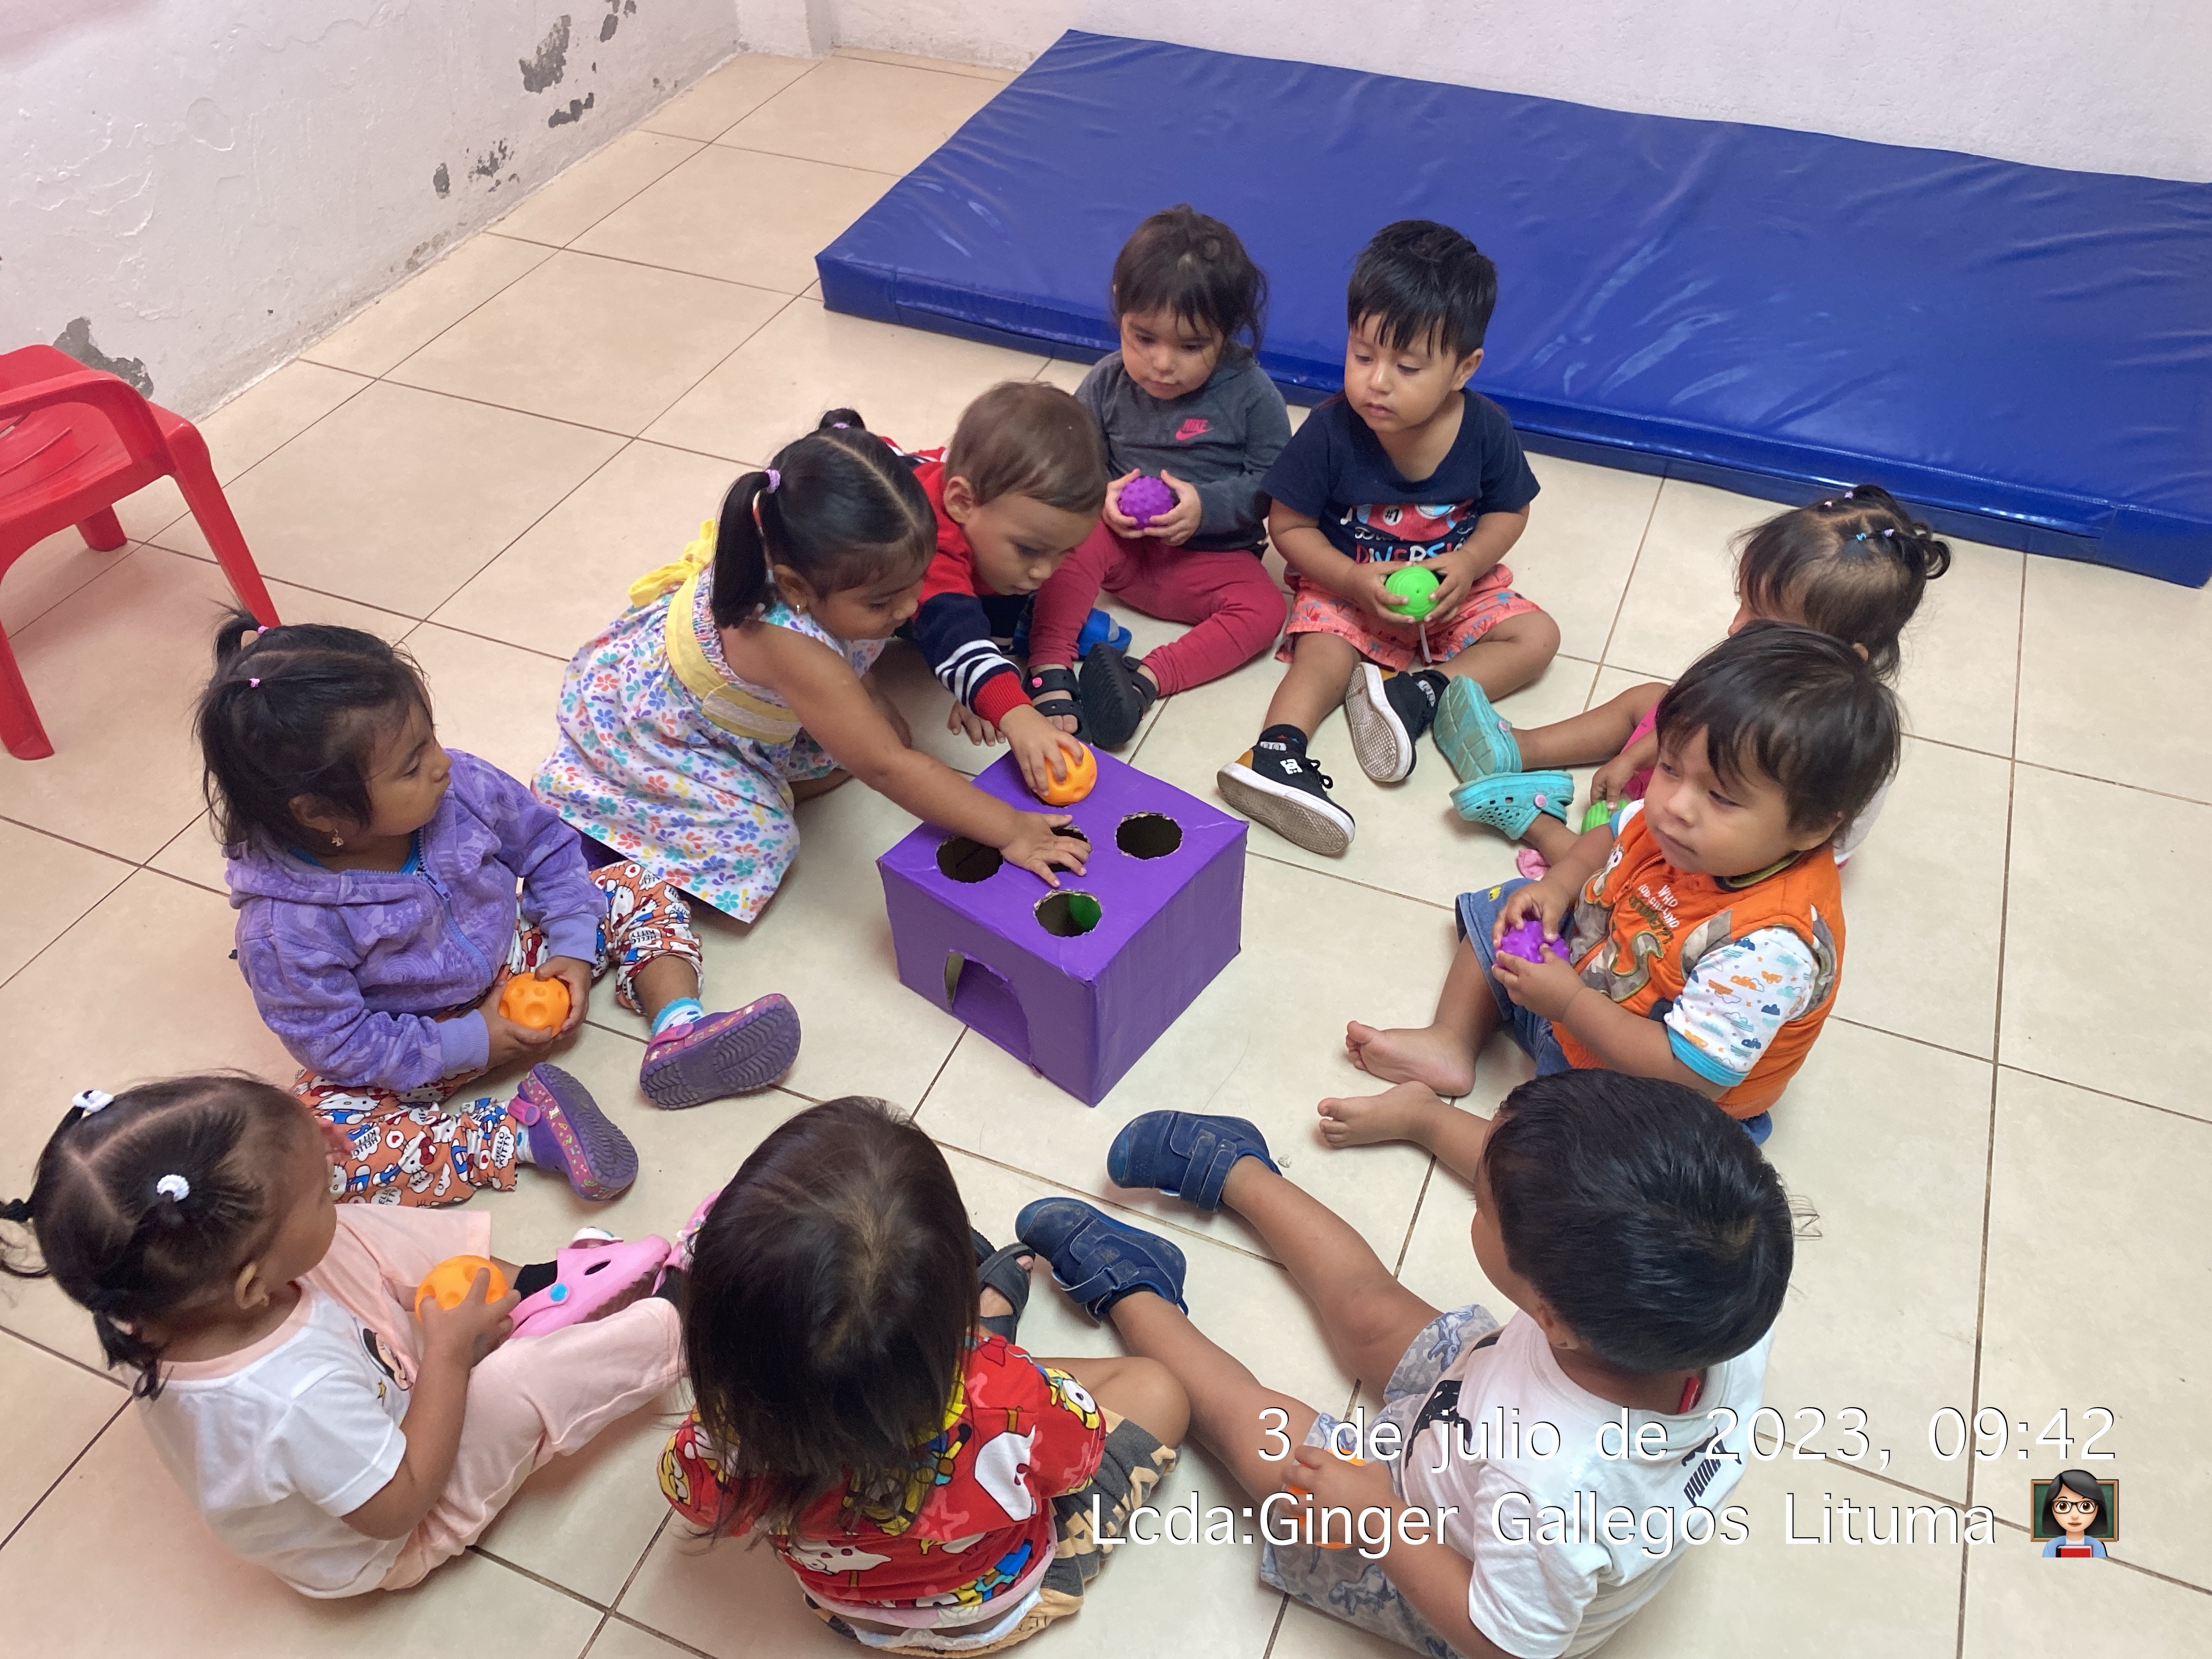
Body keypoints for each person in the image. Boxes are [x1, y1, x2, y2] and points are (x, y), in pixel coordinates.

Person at [1018, 1077, 1791, 1658]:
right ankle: (1236, 1167)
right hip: (1481, 1401)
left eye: (1483, 1205)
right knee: (1370, 1310)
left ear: (1550, 1315)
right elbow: (1537, 1173)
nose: (1478, 1190)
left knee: (1259, 1438)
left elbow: (1505, 1642)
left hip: (1436, 1547)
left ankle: (1134, 1291)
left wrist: (1377, 1518)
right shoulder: (1718, 1292)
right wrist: (1424, 1118)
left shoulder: (1553, 1493)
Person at [0, 1075, 682, 1596]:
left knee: (342, 1235)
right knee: (517, 1382)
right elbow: (400, 1504)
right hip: (398, 1528)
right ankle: (682, 1317)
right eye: (323, 1190)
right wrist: (447, 1357)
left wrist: (297, 1148)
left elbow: (270, 1223)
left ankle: (531, 1286)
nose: (336, 1184)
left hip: (364, 1396)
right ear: (251, 1288)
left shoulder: (158, 1296)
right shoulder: (291, 1400)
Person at [200, 616, 797, 1209]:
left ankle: (680, 1025)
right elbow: (339, 1043)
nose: (441, 763)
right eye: (411, 765)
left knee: (633, 883)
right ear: (320, 813)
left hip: (517, 953)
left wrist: (571, 945)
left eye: (430, 739)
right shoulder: (285, 929)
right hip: (412, 1040)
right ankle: (525, 1133)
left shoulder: (460, 786)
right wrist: (469, 1040)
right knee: (320, 1153)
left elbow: (548, 848)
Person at [659, 1097, 1190, 1654]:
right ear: (951, 1301)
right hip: (1004, 1606)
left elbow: (691, 1496)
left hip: (850, 1614)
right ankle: (986, 1332)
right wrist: (999, 1370)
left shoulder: (725, 1431)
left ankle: (965, 1342)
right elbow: (1077, 1461)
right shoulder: (1006, 1401)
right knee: (1159, 1391)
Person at [1333, 623, 1899, 1145]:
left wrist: (1570, 1002)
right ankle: (1452, 1040)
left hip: (1646, 1096)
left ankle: (1427, 1121)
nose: (1674, 805)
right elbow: (1610, 837)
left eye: (1722, 797)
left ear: (1811, 826)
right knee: (1512, 908)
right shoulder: (1683, 828)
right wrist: (1558, 888)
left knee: (1559, 1179)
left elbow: (1690, 1075)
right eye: (1670, 768)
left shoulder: (1771, 946)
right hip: (1585, 991)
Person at [535, 409, 1090, 922]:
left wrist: (874, 701)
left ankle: (750, 778)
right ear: (797, 589)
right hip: (657, 737)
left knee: (848, 748)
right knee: (764, 840)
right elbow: (888, 769)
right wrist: (1011, 830)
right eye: (883, 601)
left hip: (732, 702)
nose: (907, 609)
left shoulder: (819, 562)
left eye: (917, 582)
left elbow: (855, 663)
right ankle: (608, 830)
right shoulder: (792, 644)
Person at [1217, 219, 1556, 856]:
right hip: (1348, 590)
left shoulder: (1486, 430)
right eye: (1363, 355)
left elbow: (1510, 512)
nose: (1377, 381)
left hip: (1453, 590)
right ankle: (1275, 753)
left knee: (1538, 636)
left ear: (1463, 369)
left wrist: (1470, 561)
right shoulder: (1329, 432)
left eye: (1407, 366)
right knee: (1324, 655)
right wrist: (1349, 579)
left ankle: (1417, 693)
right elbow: (1286, 525)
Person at [1438, 483, 1950, 872]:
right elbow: (1694, 722)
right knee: (1651, 698)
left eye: (1763, 621)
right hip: (1706, 774)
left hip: (1731, 848)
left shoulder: (1829, 744)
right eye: (1744, 603)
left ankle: (1537, 823)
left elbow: (1781, 844)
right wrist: (1635, 758)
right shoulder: (1772, 671)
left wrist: (1667, 803)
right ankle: (1522, 749)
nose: (1735, 627)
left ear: (1842, 656)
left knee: (1626, 857)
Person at [1023, 205, 1292, 748]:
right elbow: (1073, 463)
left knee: (1267, 612)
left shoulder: (1253, 394)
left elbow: (1273, 485)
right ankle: (1048, 662)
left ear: (1226, 332)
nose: (1162, 363)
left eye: (1190, 346)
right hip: (1119, 551)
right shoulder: (1106, 383)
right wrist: (1100, 496)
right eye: (1143, 338)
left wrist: (1206, 507)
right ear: (1120, 305)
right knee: (1065, 543)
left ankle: (1144, 679)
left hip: (1210, 561)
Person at [901, 381, 1108, 793]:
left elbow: (994, 608)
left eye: (1064, 552)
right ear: (962, 503)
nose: (1044, 572)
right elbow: (953, 631)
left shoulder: (1005, 538)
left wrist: (982, 687)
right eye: (1030, 549)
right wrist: (1015, 712)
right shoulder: (928, 544)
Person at [2039, 1470, 2111, 1558]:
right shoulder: (2051, 1547)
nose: (2075, 1516)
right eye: (2063, 1506)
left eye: (2086, 1506)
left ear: (2097, 1509)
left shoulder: (2098, 1547)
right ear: (2052, 1509)